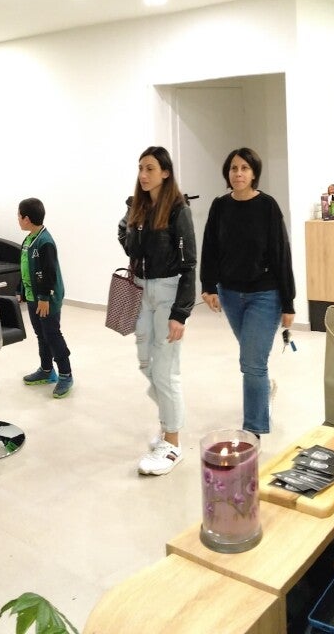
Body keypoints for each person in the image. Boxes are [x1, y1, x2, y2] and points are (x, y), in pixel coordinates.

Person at [199, 148, 294, 439]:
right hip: (230, 294)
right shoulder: (220, 206)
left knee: (251, 363)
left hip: (265, 295)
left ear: (254, 173)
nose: (238, 173)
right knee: (253, 360)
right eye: (233, 168)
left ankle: (253, 431)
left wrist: (288, 303)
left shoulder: (267, 206)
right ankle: (264, 388)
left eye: (244, 168)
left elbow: (281, 254)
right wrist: (208, 285)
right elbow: (210, 247)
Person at [119, 146, 197, 476]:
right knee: (145, 363)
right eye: (140, 168)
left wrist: (181, 313)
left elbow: (189, 263)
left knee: (165, 371)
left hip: (167, 292)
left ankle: (173, 444)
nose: (143, 174)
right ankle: (167, 426)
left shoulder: (178, 210)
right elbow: (126, 239)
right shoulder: (137, 207)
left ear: (165, 172)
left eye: (150, 168)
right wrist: (132, 226)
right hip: (140, 289)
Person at [16, 198, 73, 399]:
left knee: (52, 334)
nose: (17, 219)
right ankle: (47, 370)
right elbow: (24, 267)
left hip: (46, 298)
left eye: (19, 215)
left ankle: (66, 375)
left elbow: (49, 273)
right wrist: (20, 290)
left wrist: (43, 298)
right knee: (41, 334)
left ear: (27, 218)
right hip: (33, 296)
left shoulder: (45, 242)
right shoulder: (29, 240)